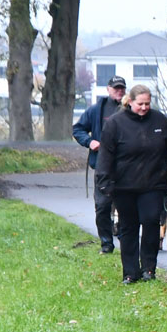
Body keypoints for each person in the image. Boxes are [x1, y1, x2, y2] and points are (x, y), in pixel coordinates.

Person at [95, 85, 167, 283]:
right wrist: (105, 182)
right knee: (128, 227)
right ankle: (130, 272)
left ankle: (149, 268)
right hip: (124, 186)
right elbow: (106, 156)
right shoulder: (115, 123)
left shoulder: (160, 121)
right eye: (140, 104)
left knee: (150, 222)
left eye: (147, 103)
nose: (144, 107)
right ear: (129, 102)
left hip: (153, 183)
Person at [73, 74, 126, 253]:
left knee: (127, 207)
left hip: (127, 168)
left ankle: (127, 243)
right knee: (102, 207)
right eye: (116, 88)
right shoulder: (97, 110)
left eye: (122, 88)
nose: (119, 91)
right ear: (108, 90)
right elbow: (77, 129)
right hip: (102, 167)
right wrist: (90, 142)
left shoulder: (131, 110)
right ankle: (106, 244)